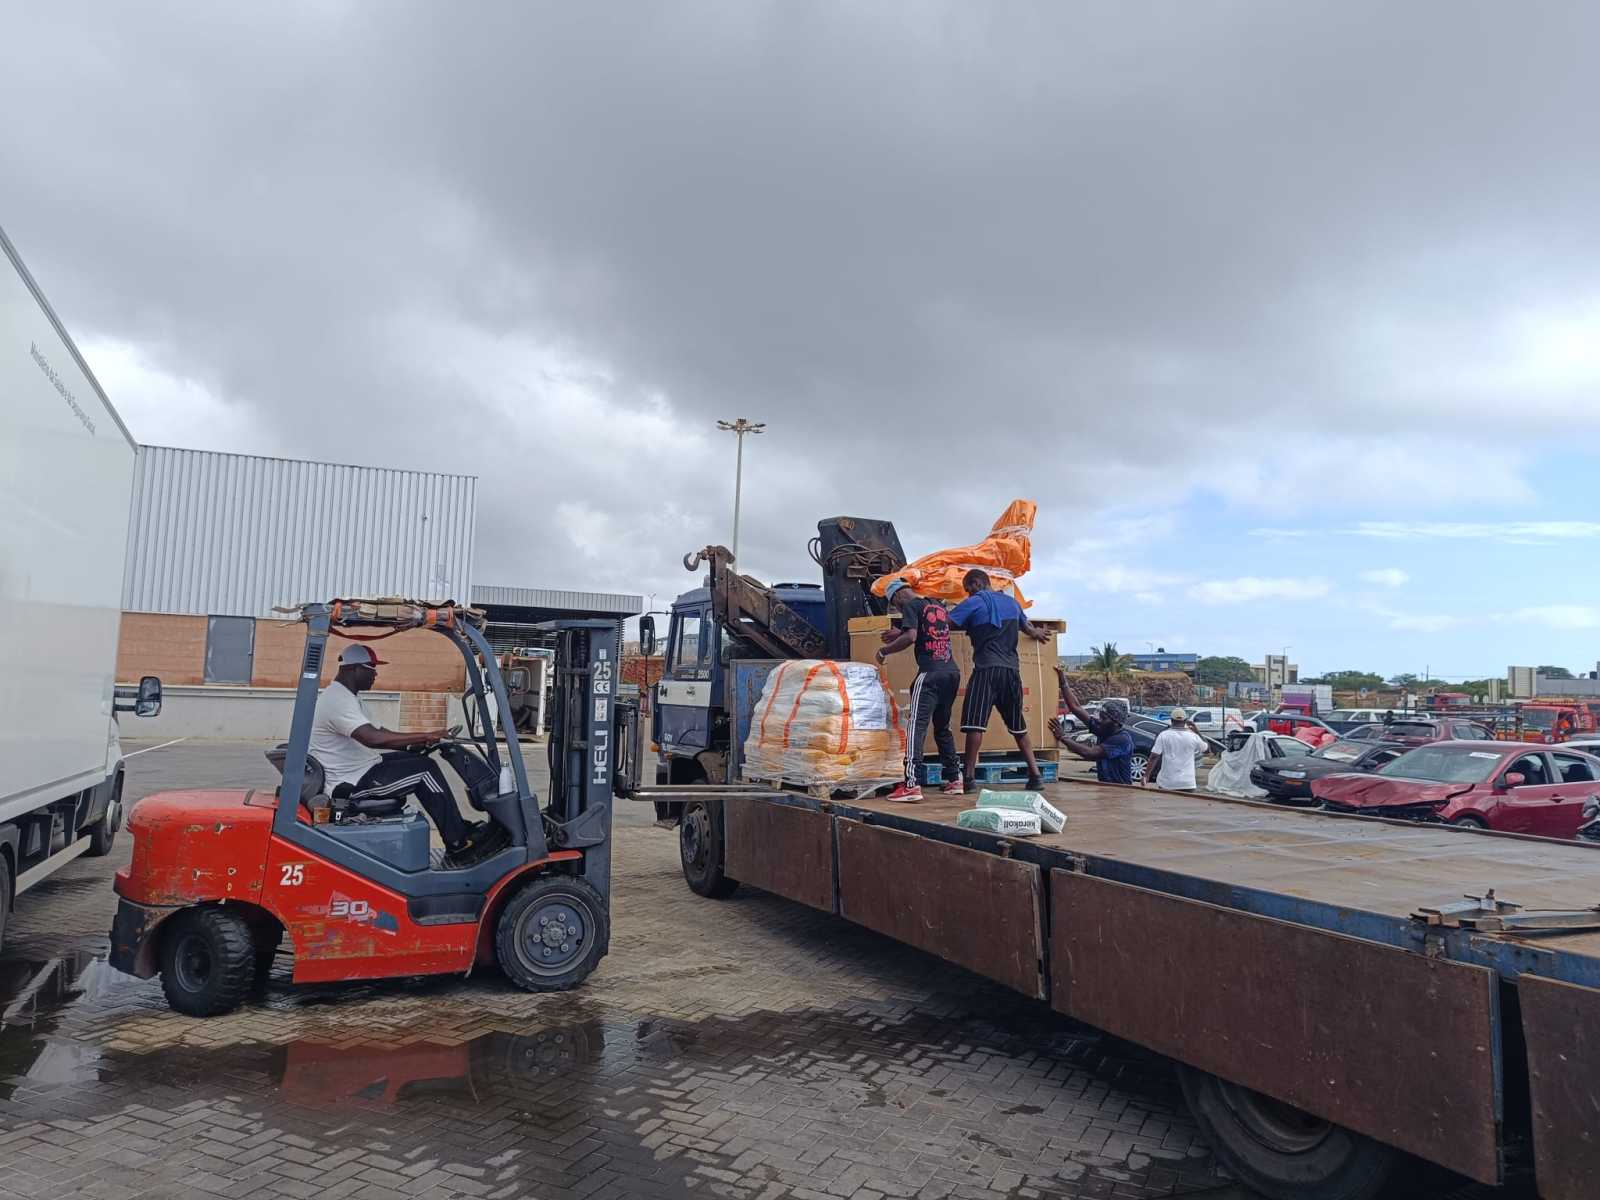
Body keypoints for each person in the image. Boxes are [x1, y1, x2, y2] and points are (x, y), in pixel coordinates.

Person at [310, 644, 495, 865]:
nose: (375, 674)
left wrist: (415, 744)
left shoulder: (347, 697)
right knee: (425, 771)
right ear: (354, 669)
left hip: (359, 769)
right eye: (372, 668)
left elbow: (381, 732)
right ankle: (458, 842)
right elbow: (373, 739)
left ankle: (458, 829)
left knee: (421, 761)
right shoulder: (338, 700)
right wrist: (426, 734)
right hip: (350, 784)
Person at [947, 569, 1051, 792]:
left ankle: (969, 780)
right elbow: (1028, 628)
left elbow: (946, 623)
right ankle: (1035, 776)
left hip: (986, 670)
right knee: (1018, 726)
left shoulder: (974, 603)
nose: (968, 594)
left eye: (968, 589)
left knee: (975, 725)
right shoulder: (1013, 604)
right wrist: (1038, 634)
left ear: (977, 583)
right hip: (1011, 672)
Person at [876, 580, 964, 800]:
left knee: (916, 727)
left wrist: (884, 651)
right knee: (943, 727)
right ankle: (954, 779)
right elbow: (930, 631)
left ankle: (911, 785)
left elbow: (911, 637)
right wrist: (901, 632)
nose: (898, 609)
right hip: (951, 673)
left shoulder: (910, 606)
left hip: (930, 674)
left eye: (895, 605)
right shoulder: (936, 605)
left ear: (898, 597)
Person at [1050, 671, 1136, 784]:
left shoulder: (1122, 739)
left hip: (1121, 788)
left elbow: (1090, 753)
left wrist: (1063, 737)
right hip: (1105, 786)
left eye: (1103, 718)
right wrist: (1063, 683)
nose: (1099, 720)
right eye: (1100, 717)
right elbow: (1076, 707)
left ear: (1116, 722)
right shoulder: (1103, 728)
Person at [1146, 707, 1207, 791]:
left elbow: (1154, 757)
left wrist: (1146, 775)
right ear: (1185, 721)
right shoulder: (1193, 736)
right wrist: (1197, 731)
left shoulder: (1164, 735)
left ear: (1171, 721)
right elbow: (1206, 749)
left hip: (1167, 783)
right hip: (1187, 783)